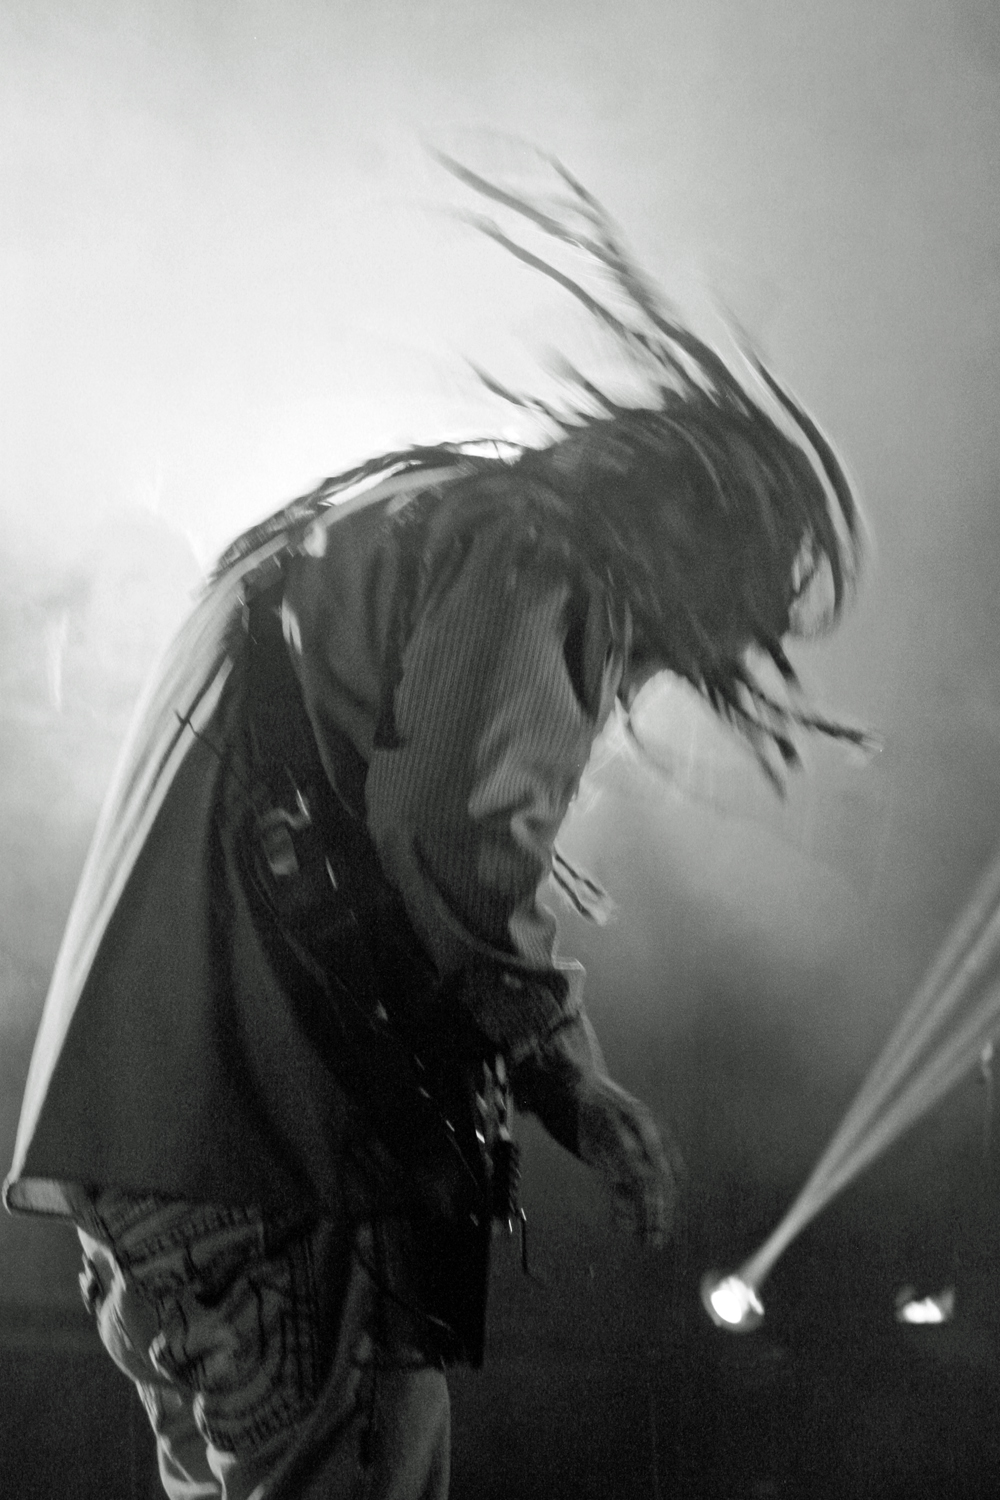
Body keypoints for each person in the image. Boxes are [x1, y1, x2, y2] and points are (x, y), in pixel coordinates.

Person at [4, 159, 866, 1500]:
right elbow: (455, 840)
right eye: (712, 628)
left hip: (165, 1171)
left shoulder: (381, 523)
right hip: (283, 1165)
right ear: (695, 550)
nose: (657, 677)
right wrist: (568, 1076)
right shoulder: (536, 551)